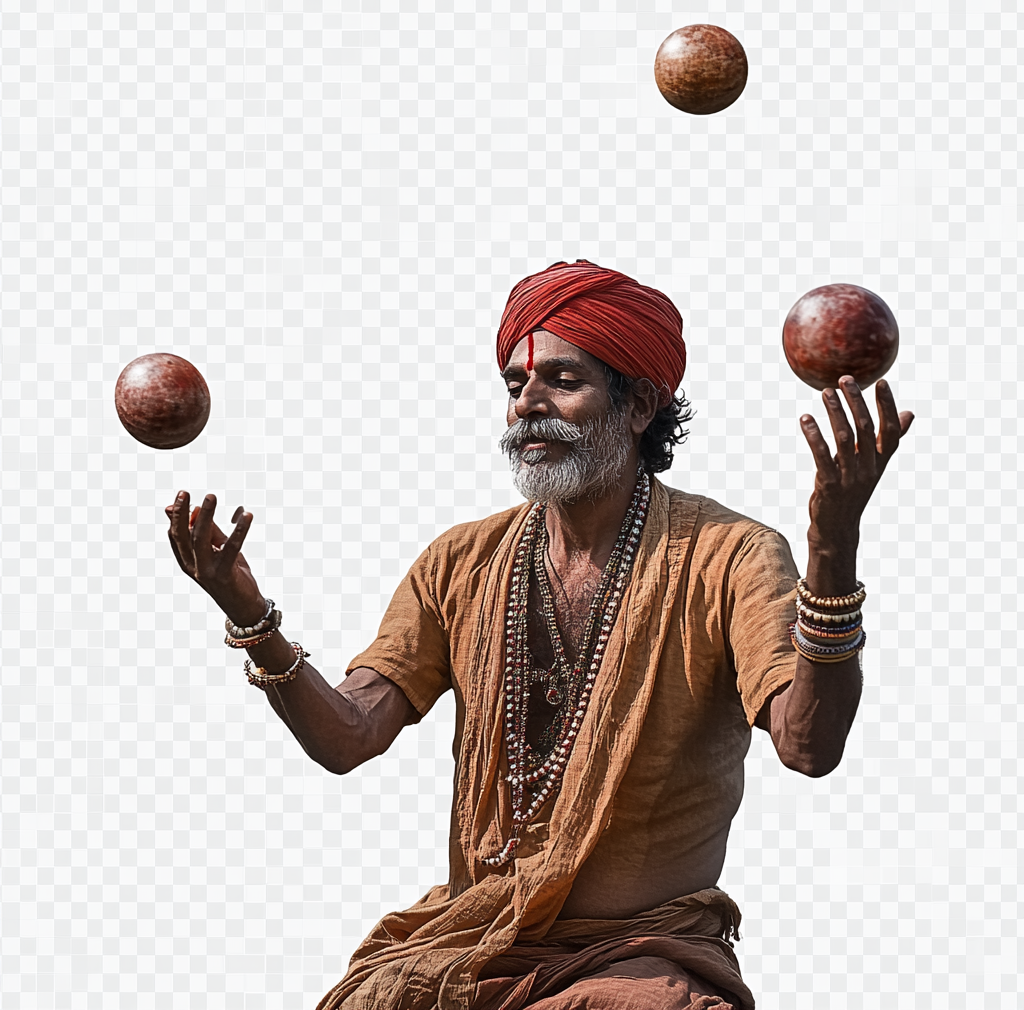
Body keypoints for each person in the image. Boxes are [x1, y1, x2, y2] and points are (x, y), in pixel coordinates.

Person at [166, 260, 913, 1010]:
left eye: (561, 381)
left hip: (639, 961)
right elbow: (348, 736)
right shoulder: (459, 562)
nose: (528, 404)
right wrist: (250, 618)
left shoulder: (731, 554)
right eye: (515, 386)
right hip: (471, 946)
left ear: (639, 406)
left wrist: (834, 544)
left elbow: (808, 746)